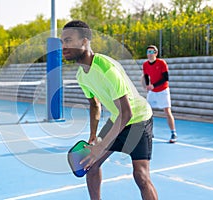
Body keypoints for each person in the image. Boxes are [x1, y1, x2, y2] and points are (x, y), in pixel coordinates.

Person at [61, 20, 158, 200]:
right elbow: (94, 104)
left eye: (68, 40)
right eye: (62, 42)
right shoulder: (81, 75)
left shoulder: (106, 68)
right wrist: (93, 135)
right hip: (117, 118)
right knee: (91, 165)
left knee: (141, 176)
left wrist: (101, 146)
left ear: (84, 41)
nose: (63, 46)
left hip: (138, 119)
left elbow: (127, 113)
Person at [142, 45, 177, 143]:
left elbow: (166, 78)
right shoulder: (145, 64)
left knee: (167, 111)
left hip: (163, 90)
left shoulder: (162, 63)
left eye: (152, 52)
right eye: (148, 52)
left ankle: (173, 133)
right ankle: (149, 132)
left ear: (156, 53)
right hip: (152, 92)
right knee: (147, 112)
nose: (149, 54)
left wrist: (154, 85)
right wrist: (148, 85)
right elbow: (146, 76)